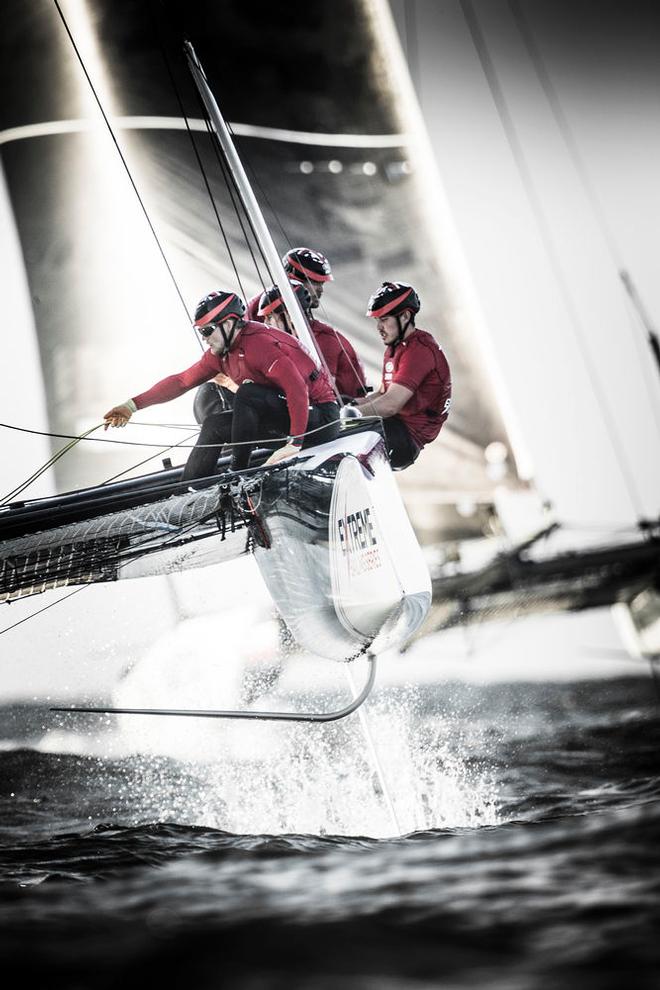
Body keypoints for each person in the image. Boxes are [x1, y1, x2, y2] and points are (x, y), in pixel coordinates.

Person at [103, 290, 340, 479]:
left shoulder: (260, 345)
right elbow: (181, 381)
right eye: (201, 333)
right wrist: (132, 406)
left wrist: (295, 443)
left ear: (228, 324)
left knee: (247, 393)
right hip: (288, 418)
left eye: (207, 331)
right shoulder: (220, 353)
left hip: (320, 420)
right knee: (214, 424)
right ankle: (189, 491)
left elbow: (297, 389)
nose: (204, 338)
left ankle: (237, 473)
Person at [351, 281, 451, 470]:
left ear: (405, 316)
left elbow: (390, 405)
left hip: (405, 439)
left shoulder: (419, 351)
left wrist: (349, 415)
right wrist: (349, 404)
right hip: (392, 425)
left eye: (384, 319)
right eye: (377, 321)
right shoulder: (395, 348)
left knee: (338, 435)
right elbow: (382, 394)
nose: (379, 327)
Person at [257, 281, 367, 400]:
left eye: (269, 317)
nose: (265, 324)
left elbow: (322, 390)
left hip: (345, 409)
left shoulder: (323, 340)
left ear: (289, 316)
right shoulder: (293, 340)